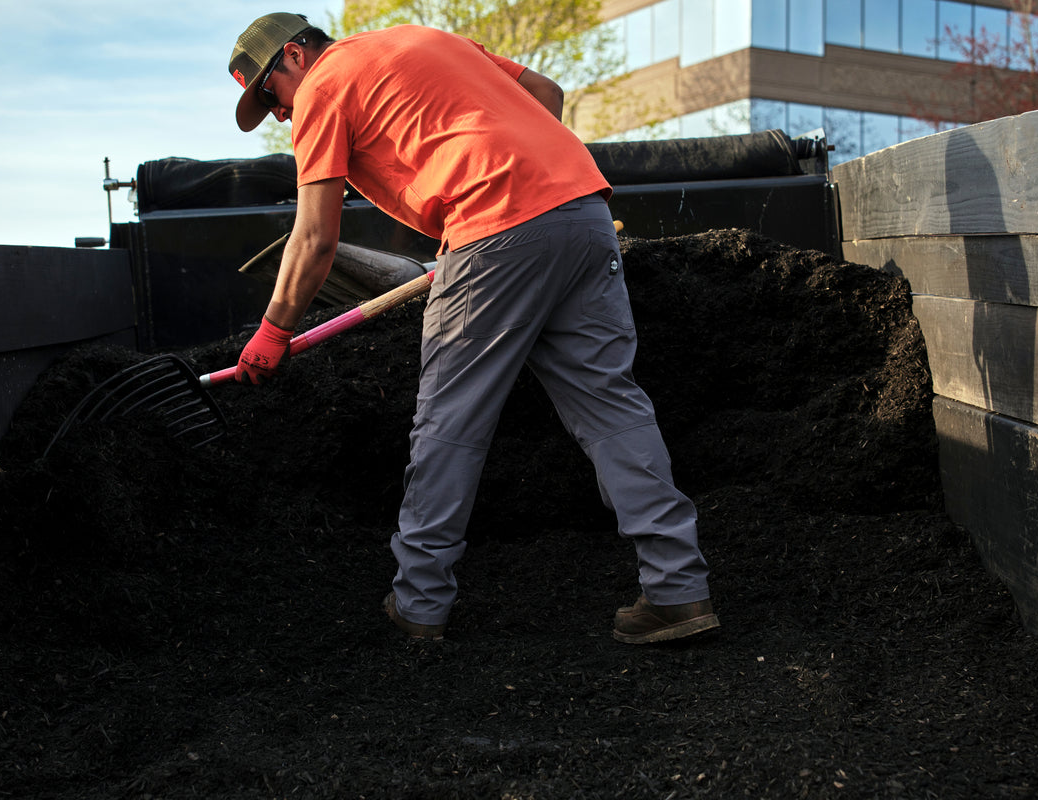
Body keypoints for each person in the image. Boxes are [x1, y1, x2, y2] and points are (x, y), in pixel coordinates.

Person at [227, 12, 719, 644]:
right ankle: (680, 591)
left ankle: (419, 605)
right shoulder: (424, 39)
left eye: (269, 95)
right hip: (582, 212)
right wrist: (522, 185)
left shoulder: (324, 86)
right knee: (612, 406)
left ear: (295, 56)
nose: (278, 116)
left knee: (448, 424)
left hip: (493, 231)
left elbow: (317, 235)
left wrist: (273, 331)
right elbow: (546, 94)